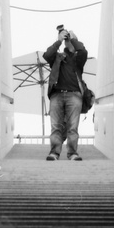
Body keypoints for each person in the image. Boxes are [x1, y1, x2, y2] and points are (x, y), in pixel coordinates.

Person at [42, 25, 88, 161]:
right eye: (67, 40)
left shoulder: (78, 59)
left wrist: (73, 39)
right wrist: (59, 40)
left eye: (70, 40)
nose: (68, 42)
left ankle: (72, 153)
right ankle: (54, 153)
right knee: (56, 126)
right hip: (56, 95)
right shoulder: (57, 57)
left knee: (72, 127)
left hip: (74, 95)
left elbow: (83, 51)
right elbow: (47, 55)